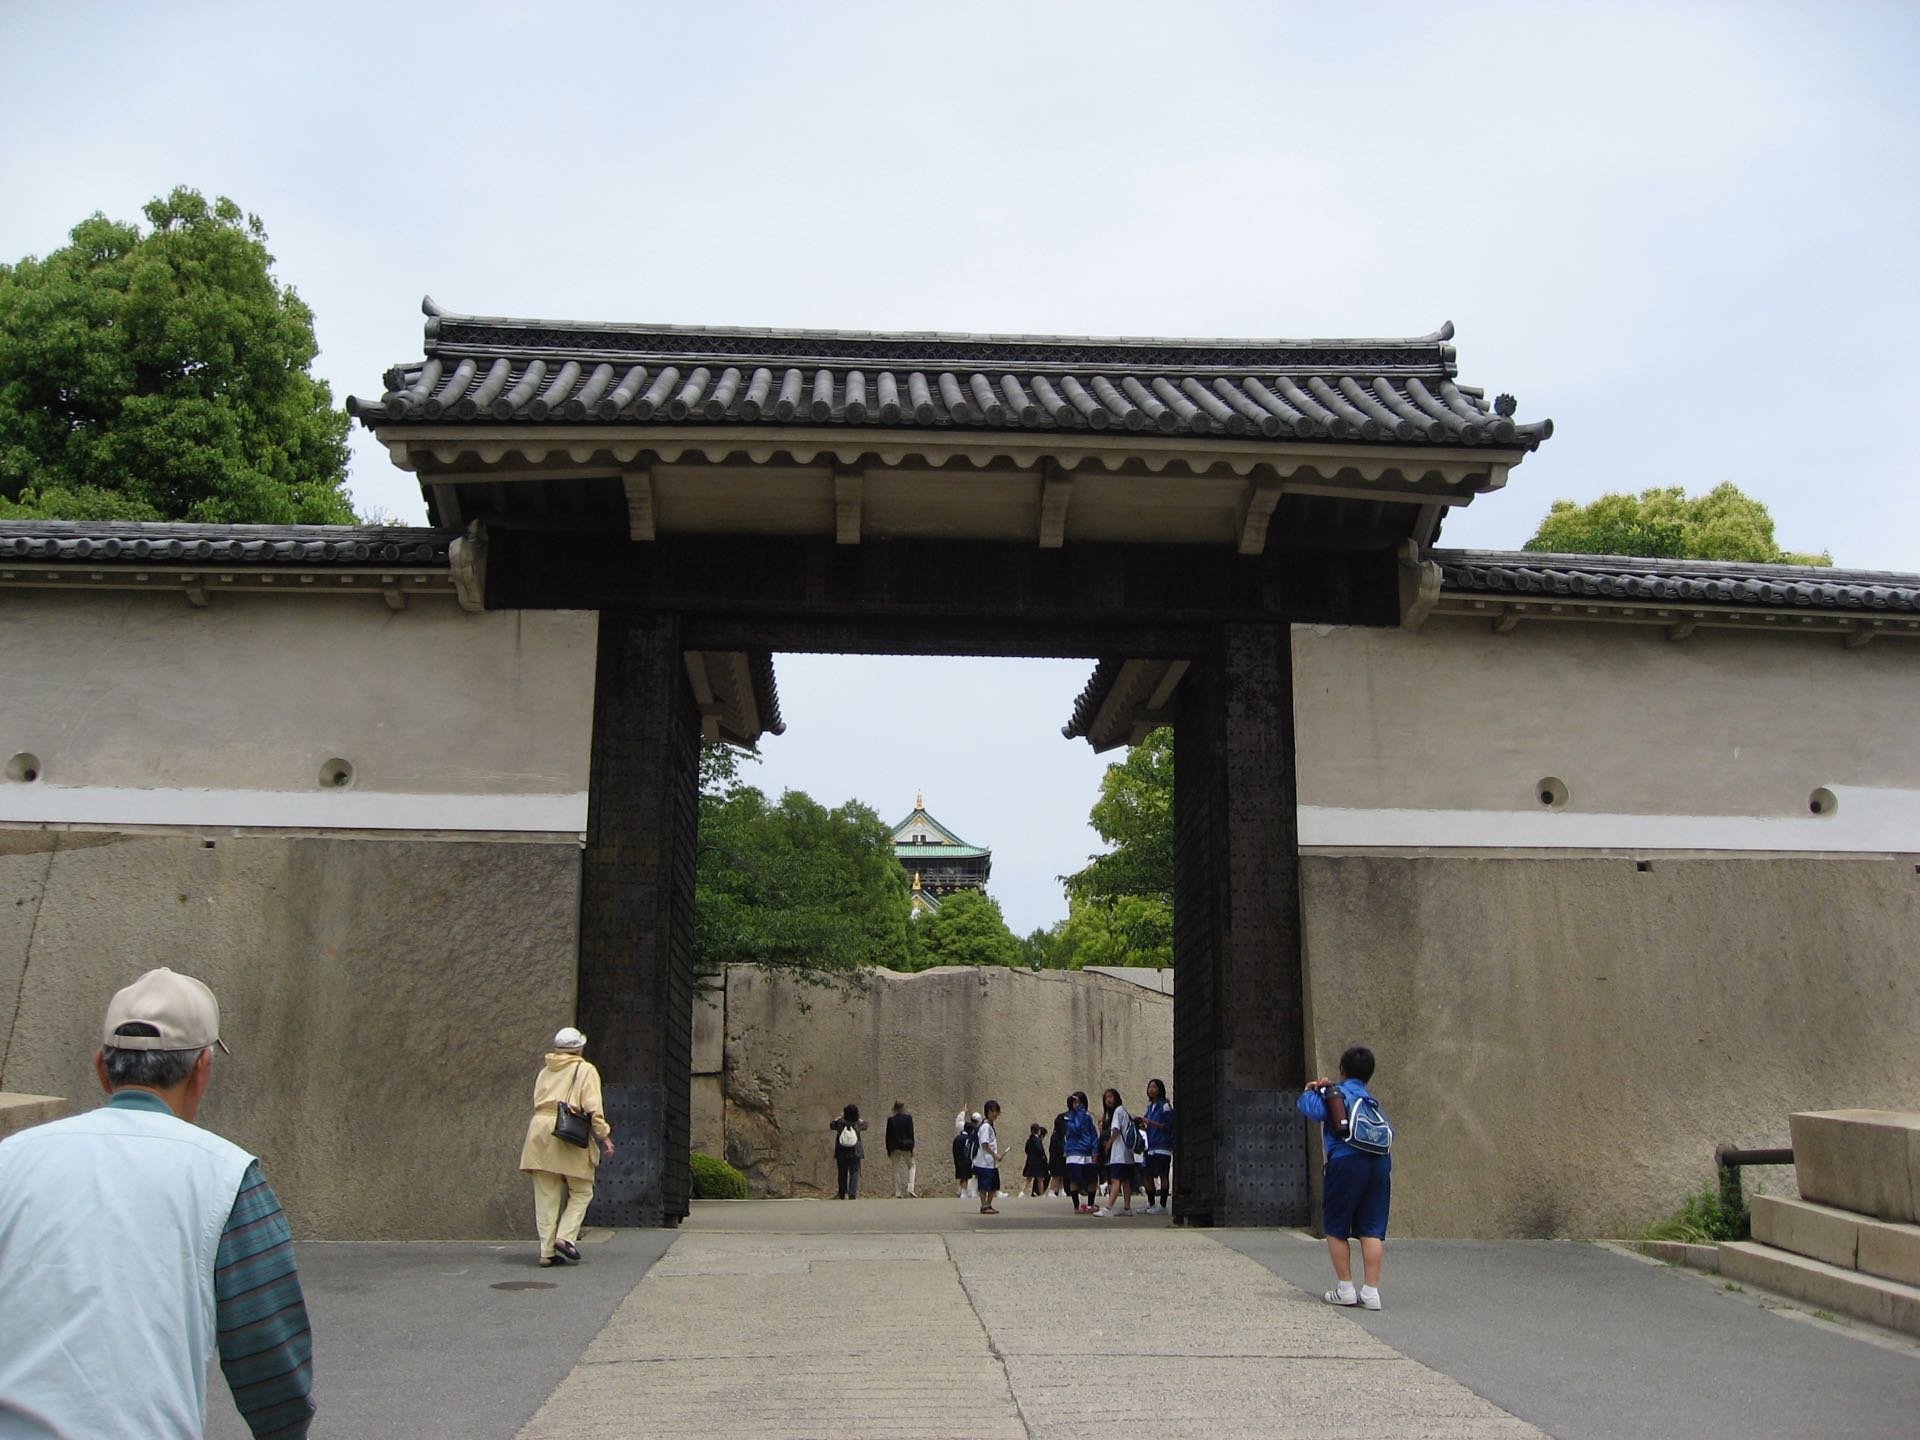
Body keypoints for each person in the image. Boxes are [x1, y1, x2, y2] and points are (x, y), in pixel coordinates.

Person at [0, 967, 315, 1439]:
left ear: (102, 1068)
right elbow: (269, 1349)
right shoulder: (228, 1176)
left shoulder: (11, 1158)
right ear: (202, 1069)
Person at [1298, 1044, 1391, 1310]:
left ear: (1342, 1069)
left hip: (1345, 1161)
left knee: (1337, 1226)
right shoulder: (1372, 1103)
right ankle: (1371, 1292)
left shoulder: (1336, 1094)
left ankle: (1345, 1288)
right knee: (1372, 1229)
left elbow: (1312, 1110)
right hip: (1379, 1165)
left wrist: (1310, 1090)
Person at [520, 1026, 615, 1266]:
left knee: (546, 1195)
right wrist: (603, 1135)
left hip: (539, 1130)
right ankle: (565, 1237)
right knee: (582, 1189)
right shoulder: (585, 1069)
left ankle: (546, 1252)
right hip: (567, 1129)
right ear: (579, 1048)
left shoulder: (545, 1071)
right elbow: (592, 1106)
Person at [1099, 1087, 1137, 1217]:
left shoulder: (1117, 1112)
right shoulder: (1124, 1111)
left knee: (1115, 1180)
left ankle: (1108, 1207)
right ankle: (1127, 1207)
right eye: (1106, 1098)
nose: (1108, 1100)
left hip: (1119, 1154)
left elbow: (1115, 1130)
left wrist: (1109, 1144)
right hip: (1128, 1154)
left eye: (1110, 1097)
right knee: (1126, 1181)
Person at [1061, 1091, 1099, 1212]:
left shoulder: (1088, 1117)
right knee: (1074, 1180)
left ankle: (1090, 1204)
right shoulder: (1068, 1117)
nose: (1077, 1105)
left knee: (1092, 1180)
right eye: (1075, 1102)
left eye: (1080, 1103)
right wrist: (1080, 1113)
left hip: (1087, 1153)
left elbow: (1093, 1135)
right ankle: (1076, 1206)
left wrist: (1095, 1151)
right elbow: (1076, 1128)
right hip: (1074, 1153)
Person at [1141, 1077, 1174, 1215]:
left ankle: (1162, 1205)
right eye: (1150, 1087)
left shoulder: (1165, 1106)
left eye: (1154, 1087)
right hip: (1151, 1145)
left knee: (1162, 1174)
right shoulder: (1150, 1107)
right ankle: (1151, 1202)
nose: (1151, 1090)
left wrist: (1151, 1123)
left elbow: (1168, 1126)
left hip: (1162, 1145)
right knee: (1147, 1174)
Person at [971, 1100, 1005, 1214]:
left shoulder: (990, 1126)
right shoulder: (985, 1127)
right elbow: (984, 1144)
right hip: (984, 1162)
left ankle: (988, 1205)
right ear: (987, 1112)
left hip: (991, 1163)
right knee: (984, 1185)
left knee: (993, 1186)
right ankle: (984, 1205)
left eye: (996, 1111)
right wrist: (995, 1155)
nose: (995, 1114)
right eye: (992, 1111)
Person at [830, 1103, 868, 1199]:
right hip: (855, 1150)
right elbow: (865, 1125)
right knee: (854, 1171)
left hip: (841, 1150)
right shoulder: (858, 1124)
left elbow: (832, 1125)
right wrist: (859, 1119)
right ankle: (852, 1193)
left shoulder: (840, 1123)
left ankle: (842, 1192)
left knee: (842, 1172)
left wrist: (839, 1117)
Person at [884, 1098, 917, 1198]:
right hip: (906, 1146)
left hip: (894, 1147)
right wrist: (912, 1147)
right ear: (903, 1107)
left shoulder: (891, 1119)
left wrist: (888, 1149)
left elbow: (888, 1135)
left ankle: (898, 1192)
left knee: (896, 1169)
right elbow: (911, 1133)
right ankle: (910, 1188)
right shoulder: (908, 1118)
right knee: (912, 1165)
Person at [952, 1109, 980, 1198]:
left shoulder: (959, 1135)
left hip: (957, 1154)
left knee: (961, 1172)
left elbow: (958, 1121)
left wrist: (963, 1112)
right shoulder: (970, 1136)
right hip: (965, 1154)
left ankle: (960, 1190)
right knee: (965, 1174)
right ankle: (963, 1193)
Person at [1047, 1101, 1070, 1197]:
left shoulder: (1061, 1135)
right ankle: (1052, 1190)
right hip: (1056, 1158)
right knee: (1056, 1175)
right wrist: (1063, 1152)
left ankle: (1061, 1189)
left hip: (1060, 1158)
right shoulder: (1057, 1135)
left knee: (1061, 1174)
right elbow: (1056, 1147)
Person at [1023, 1122, 1050, 1197]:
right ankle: (1041, 1194)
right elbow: (1040, 1150)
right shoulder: (1037, 1139)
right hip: (1037, 1162)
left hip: (1030, 1161)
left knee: (1028, 1178)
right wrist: (1043, 1158)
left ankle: (1022, 1192)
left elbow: (1026, 1150)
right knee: (1040, 1179)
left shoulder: (1029, 1139)